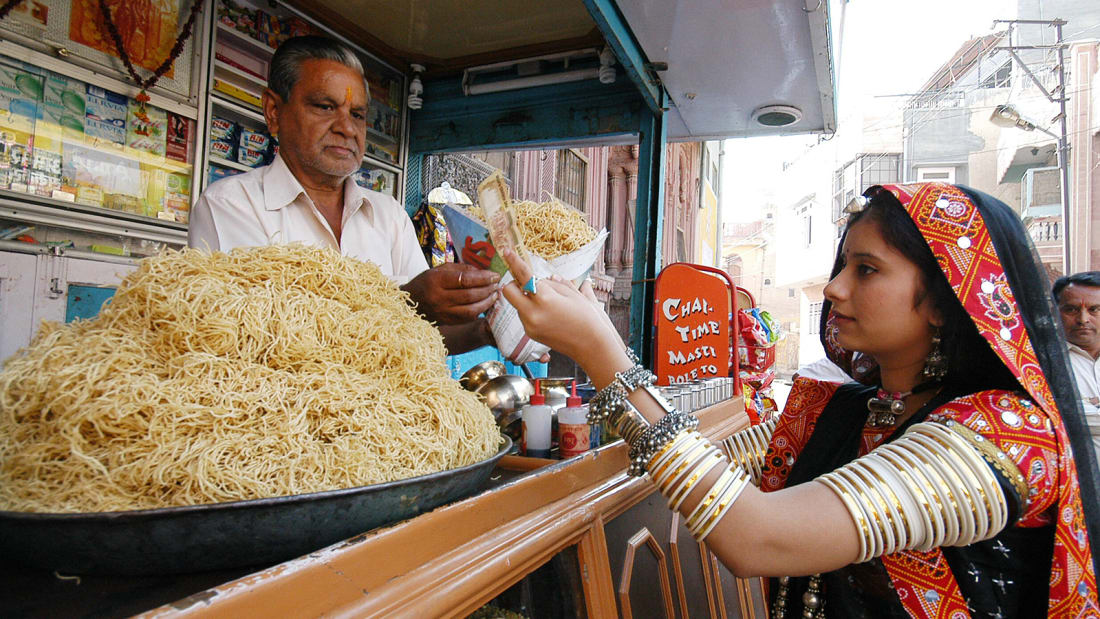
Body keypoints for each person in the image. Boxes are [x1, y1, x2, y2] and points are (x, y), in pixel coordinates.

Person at [500, 183, 1100, 617]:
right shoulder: (849, 410)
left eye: (866, 270)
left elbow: (757, 537)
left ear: (946, 300)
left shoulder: (1006, 435)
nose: (835, 287)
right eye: (843, 265)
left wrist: (604, 354)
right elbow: (719, 478)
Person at [189, 36, 495, 354]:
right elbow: (251, 340)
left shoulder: (388, 215)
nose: (347, 128)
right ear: (274, 111)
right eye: (325, 107)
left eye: (358, 114)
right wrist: (403, 300)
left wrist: (487, 331)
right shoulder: (231, 207)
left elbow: (424, 338)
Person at [1053, 271, 1100, 462]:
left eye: (1094, 309)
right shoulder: (1041, 364)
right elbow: (1051, 422)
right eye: (1071, 310)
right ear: (1055, 312)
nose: (1083, 319)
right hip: (1074, 487)